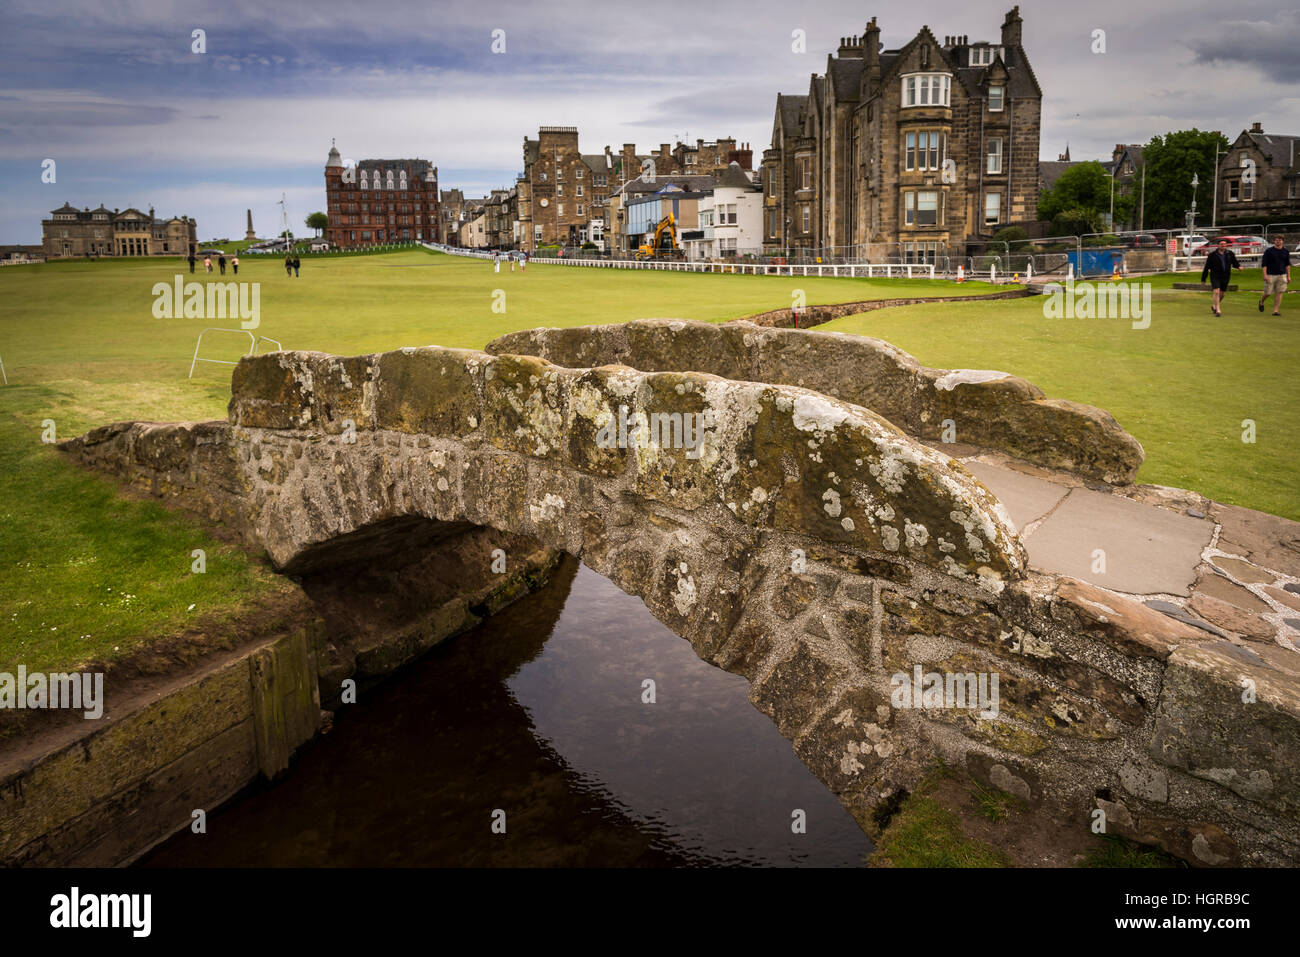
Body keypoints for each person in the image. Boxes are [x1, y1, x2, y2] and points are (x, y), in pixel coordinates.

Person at [1200, 239, 1240, 317]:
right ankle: (1218, 310)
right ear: (1218, 245)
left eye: (1225, 244)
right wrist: (1203, 278)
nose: (1223, 245)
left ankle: (1214, 306)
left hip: (1226, 276)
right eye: (1221, 244)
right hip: (1215, 276)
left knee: (1223, 294)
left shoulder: (1230, 254)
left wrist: (1239, 267)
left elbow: (1234, 263)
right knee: (1216, 292)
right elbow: (1206, 267)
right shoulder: (1212, 255)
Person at [1259, 235, 1291, 316]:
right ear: (1274, 241)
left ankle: (1275, 311)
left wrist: (1288, 276)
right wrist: (1265, 275)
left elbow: (1287, 264)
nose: (1278, 241)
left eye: (1280, 240)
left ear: (1282, 241)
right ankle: (1261, 301)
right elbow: (1264, 264)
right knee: (1268, 292)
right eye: (1276, 240)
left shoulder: (1286, 251)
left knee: (1279, 292)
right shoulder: (1269, 251)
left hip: (1282, 275)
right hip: (1270, 275)